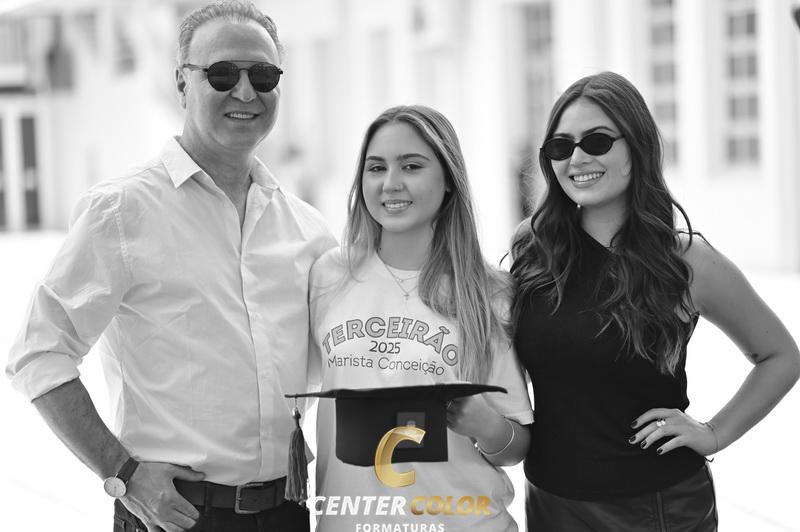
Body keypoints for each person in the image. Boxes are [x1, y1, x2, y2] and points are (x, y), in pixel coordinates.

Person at [5, 2, 335, 531]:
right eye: (222, 74)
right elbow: (38, 353)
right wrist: (123, 473)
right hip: (173, 516)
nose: (245, 92)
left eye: (263, 75)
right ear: (182, 83)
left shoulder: (308, 230)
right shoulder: (121, 211)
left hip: (288, 513)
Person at [510, 71, 800, 531]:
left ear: (637, 146)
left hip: (656, 508)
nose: (578, 158)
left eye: (597, 141)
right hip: (550, 503)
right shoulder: (535, 248)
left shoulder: (684, 261)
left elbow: (780, 356)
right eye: (561, 147)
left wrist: (714, 433)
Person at [307, 105, 533, 531]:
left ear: (448, 180)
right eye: (376, 168)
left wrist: (486, 425)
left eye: (411, 166)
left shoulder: (490, 293)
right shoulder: (328, 276)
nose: (391, 183)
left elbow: (515, 446)